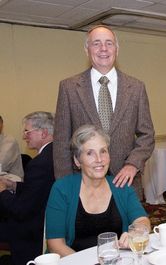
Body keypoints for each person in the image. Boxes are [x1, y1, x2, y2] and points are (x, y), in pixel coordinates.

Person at [53, 25, 155, 198]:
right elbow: (62, 142)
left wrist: (132, 164)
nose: (103, 49)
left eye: (109, 43)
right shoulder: (69, 88)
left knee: (129, 225)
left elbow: (147, 135)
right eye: (96, 43)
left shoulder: (136, 88)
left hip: (125, 182)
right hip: (83, 184)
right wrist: (66, 186)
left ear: (117, 49)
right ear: (87, 49)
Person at [46, 125, 150, 257]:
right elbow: (55, 244)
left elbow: (142, 221)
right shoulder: (62, 189)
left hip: (115, 260)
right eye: (90, 153)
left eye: (103, 151)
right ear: (77, 161)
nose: (99, 159)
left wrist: (136, 232)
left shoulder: (120, 185)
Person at [0, 111, 55, 265]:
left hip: (32, 231)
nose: (24, 136)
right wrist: (13, 185)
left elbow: (20, 210)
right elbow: (36, 189)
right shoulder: (54, 155)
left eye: (27, 131)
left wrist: (3, 191)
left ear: (43, 133)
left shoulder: (39, 163)